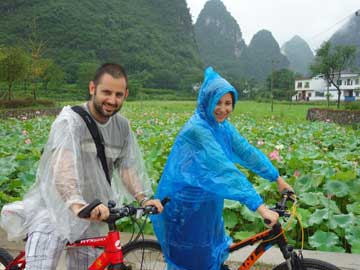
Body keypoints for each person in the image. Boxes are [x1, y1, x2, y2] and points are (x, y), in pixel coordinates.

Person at [0, 63, 163, 269]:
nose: (112, 100)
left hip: (94, 214)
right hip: (54, 212)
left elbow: (126, 167)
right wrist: (77, 204)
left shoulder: (122, 127)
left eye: (118, 94)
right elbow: (63, 167)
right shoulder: (70, 121)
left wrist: (143, 198)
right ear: (92, 88)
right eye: (106, 92)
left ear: (126, 94)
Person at [151, 67, 292, 270]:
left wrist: (276, 178)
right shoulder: (197, 129)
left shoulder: (222, 126)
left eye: (228, 103)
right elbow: (223, 170)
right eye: (217, 102)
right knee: (193, 262)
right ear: (206, 102)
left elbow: (246, 151)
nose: (223, 109)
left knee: (212, 257)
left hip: (209, 203)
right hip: (187, 207)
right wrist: (260, 207)